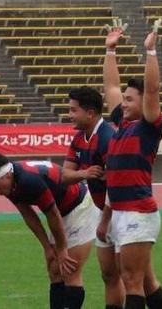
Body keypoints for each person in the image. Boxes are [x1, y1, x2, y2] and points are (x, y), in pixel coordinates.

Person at [101, 21, 162, 309]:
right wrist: (110, 50)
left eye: (130, 100)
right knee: (143, 280)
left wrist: (151, 53)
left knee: (131, 280)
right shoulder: (123, 124)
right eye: (125, 100)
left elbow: (152, 90)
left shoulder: (147, 127)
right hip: (121, 212)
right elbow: (111, 87)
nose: (124, 103)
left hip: (137, 213)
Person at [0, 151, 95, 309]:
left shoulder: (28, 180)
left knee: (69, 270)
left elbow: (52, 214)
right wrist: (47, 247)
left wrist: (62, 249)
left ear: (7, 175)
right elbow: (28, 214)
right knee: (54, 269)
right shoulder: (11, 184)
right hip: (61, 212)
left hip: (79, 206)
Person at [63, 84, 126, 309]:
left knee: (133, 277)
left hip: (121, 212)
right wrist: (84, 173)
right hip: (104, 212)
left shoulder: (108, 137)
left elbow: (115, 183)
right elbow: (65, 175)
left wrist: (106, 220)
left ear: (90, 113)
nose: (69, 115)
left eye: (73, 110)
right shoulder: (80, 138)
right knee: (109, 274)